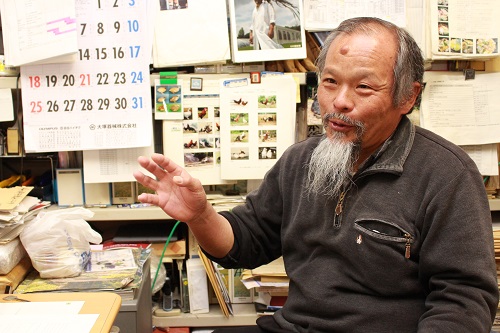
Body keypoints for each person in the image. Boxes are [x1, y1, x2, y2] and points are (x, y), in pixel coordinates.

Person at [134, 17, 499, 332]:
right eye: (329, 82)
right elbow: (244, 242)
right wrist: (201, 215)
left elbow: (464, 300)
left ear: (407, 97)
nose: (340, 101)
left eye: (363, 87)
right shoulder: (301, 161)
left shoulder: (447, 175)